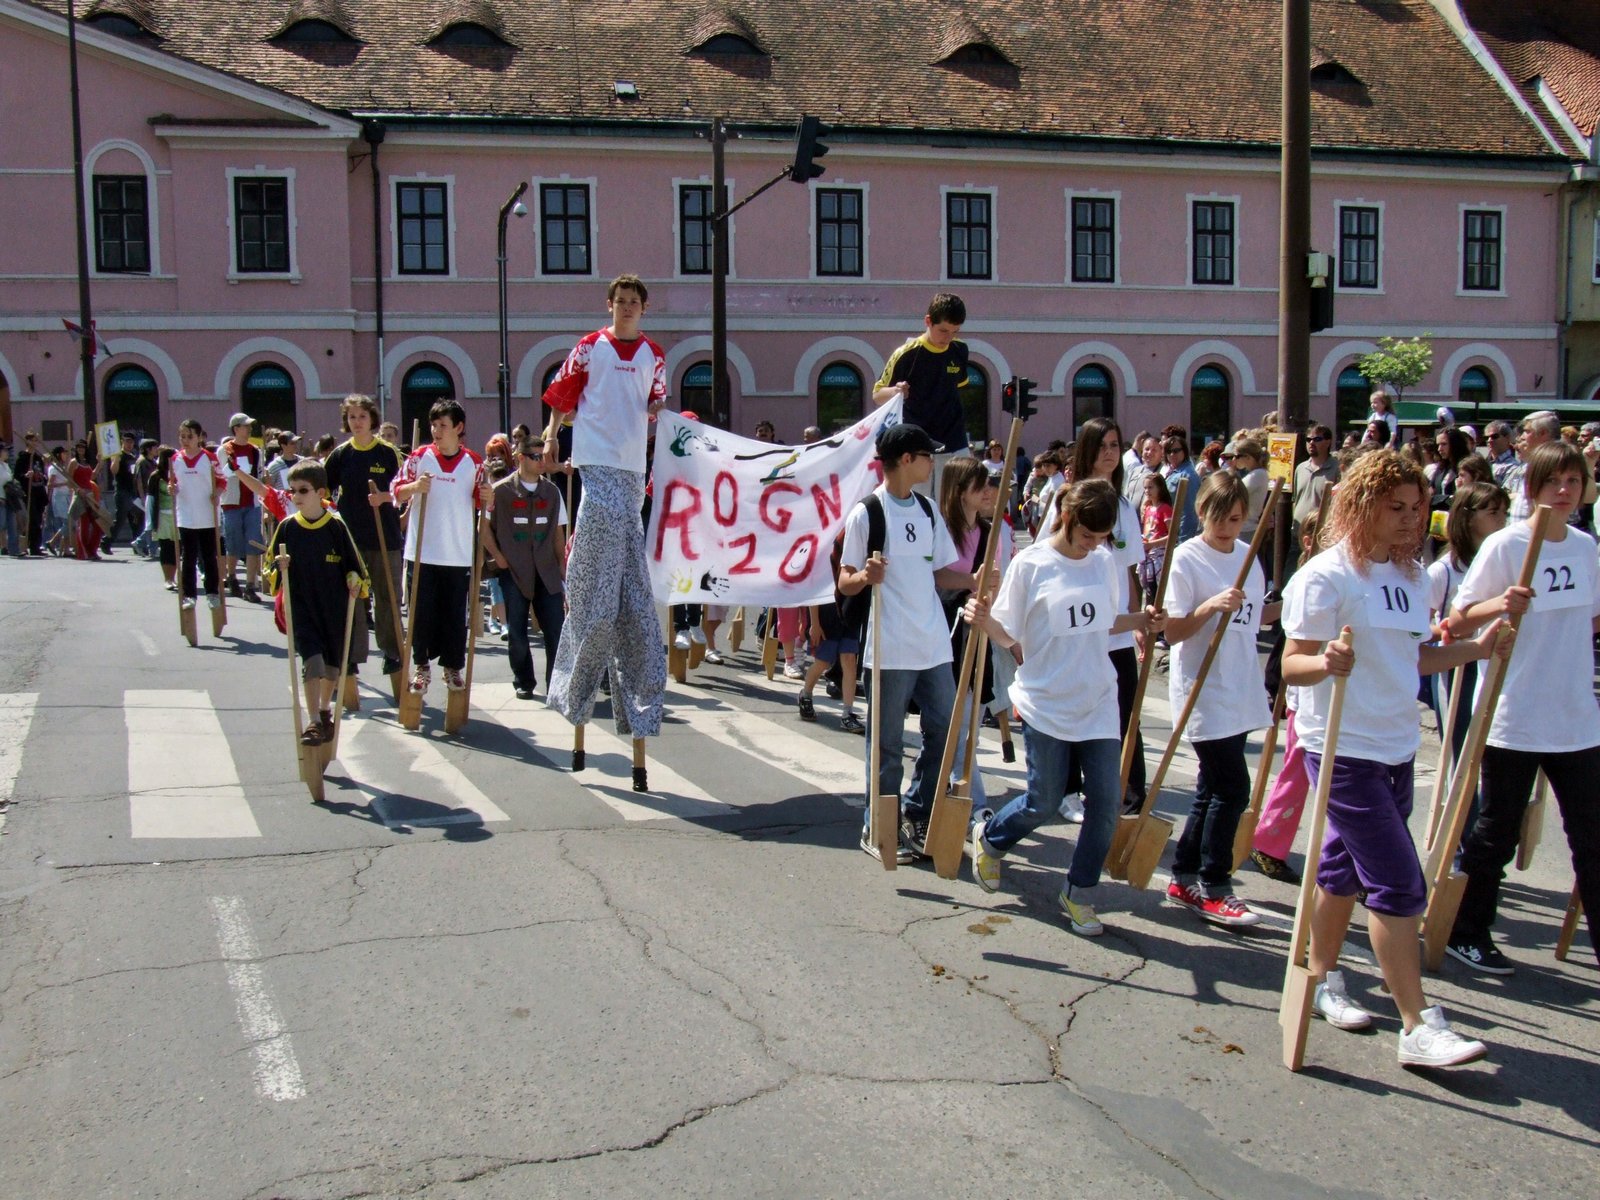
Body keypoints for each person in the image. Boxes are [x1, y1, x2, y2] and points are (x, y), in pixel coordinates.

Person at [1280, 449, 1508, 1068]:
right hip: (1341, 749)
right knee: (1400, 883)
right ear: (1362, 506)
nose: (1410, 519)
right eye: (1396, 507)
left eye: (1416, 507)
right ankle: (1418, 1024)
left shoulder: (1411, 578)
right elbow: (1292, 663)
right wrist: (1325, 661)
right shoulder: (1326, 576)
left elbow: (1414, 660)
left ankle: (1322, 977)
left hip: (1396, 746)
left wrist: (1477, 649)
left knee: (1343, 870)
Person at [965, 479, 1164, 935]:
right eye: (1087, 536)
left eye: (1101, 538)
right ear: (1067, 519)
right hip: (1046, 699)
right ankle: (991, 838)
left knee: (1106, 805)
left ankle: (1079, 891)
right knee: (1044, 800)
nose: (1093, 545)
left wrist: (1142, 620)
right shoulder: (1031, 565)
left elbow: (1103, 620)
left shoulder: (1103, 562)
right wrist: (985, 621)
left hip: (1097, 699)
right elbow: (1007, 631)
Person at [1443, 441, 1600, 974]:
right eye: (1553, 481)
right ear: (1532, 488)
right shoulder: (1505, 545)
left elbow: (1589, 617)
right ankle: (1467, 931)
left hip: (1575, 718)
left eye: (1573, 481)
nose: (1564, 491)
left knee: (1591, 836)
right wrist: (1500, 604)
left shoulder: (1584, 547)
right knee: (1496, 834)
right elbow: (1457, 620)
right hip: (1514, 714)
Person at [541, 273, 669, 740]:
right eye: (621, 301)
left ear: (644, 308)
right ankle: (580, 660)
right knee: (600, 568)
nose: (627, 307)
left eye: (634, 301)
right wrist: (552, 434)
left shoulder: (654, 354)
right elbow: (562, 394)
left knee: (627, 566)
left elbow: (657, 403)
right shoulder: (590, 347)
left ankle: (631, 668)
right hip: (595, 460)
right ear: (609, 304)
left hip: (631, 464)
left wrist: (667, 422)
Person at [839, 423, 974, 863]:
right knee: (888, 746)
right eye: (926, 455)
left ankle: (916, 810)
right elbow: (845, 579)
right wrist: (865, 576)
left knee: (946, 732)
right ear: (906, 460)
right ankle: (877, 824)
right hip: (889, 647)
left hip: (933, 645)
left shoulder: (929, 510)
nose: (933, 462)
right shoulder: (867, 513)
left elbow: (940, 573)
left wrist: (974, 579)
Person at [1162, 472, 1277, 925]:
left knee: (1210, 788)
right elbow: (1173, 631)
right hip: (1202, 688)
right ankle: (1215, 883)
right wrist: (1210, 606)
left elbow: (1255, 617)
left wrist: (1291, 604)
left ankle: (1183, 874)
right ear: (1201, 512)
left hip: (1239, 685)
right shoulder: (1187, 558)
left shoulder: (1248, 557)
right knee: (1233, 789)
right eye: (1219, 517)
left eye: (1235, 518)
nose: (1227, 527)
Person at [1247, 506, 1329, 882]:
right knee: (1297, 771)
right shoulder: (1305, 581)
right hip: (1306, 694)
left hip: (1337, 693)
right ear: (1309, 542)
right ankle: (1268, 842)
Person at [263, 460, 369, 747]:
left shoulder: (336, 527)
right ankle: (312, 721)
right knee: (312, 661)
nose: (296, 496)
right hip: (301, 607)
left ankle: (324, 711)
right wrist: (279, 568)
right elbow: (269, 568)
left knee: (332, 665)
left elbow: (357, 567)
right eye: (292, 491)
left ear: (320, 492)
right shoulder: (287, 528)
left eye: (303, 490)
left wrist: (354, 580)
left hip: (333, 607)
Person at [393, 400, 490, 695]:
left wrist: (488, 496)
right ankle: (421, 667)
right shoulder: (419, 457)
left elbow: (483, 502)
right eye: (433, 425)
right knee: (420, 614)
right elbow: (396, 490)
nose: (436, 431)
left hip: (457, 553)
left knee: (454, 616)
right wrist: (414, 488)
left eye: (443, 425)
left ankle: (452, 668)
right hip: (422, 551)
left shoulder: (475, 463)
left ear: (458, 428)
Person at [936, 456, 1014, 816]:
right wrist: (971, 580)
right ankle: (974, 805)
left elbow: (994, 586)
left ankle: (951, 793)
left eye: (989, 484)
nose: (987, 491)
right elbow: (933, 576)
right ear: (958, 490)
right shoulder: (940, 529)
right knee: (955, 725)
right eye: (979, 485)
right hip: (943, 632)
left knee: (970, 726)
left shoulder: (991, 532)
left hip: (977, 631)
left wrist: (989, 590)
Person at [323, 395, 407, 678]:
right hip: (351, 540)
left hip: (385, 537)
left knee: (388, 598)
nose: (357, 422)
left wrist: (385, 497)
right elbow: (323, 491)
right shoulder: (340, 455)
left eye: (362, 416)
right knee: (353, 599)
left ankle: (392, 652)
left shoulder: (388, 453)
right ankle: (352, 655)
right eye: (352, 417)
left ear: (372, 419)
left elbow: (404, 491)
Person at [482, 435, 567, 700]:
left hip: (546, 570)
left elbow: (558, 533)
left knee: (555, 629)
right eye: (536, 456)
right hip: (514, 569)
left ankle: (556, 684)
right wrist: (498, 557)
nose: (542, 461)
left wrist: (563, 567)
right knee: (517, 630)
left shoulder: (552, 492)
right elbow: (483, 528)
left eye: (544, 456)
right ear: (521, 458)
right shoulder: (499, 491)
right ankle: (524, 681)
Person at [872, 292, 970, 493]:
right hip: (918, 445)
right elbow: (877, 395)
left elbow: (957, 387)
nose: (948, 338)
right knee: (919, 502)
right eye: (943, 330)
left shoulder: (960, 350)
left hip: (954, 440)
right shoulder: (906, 354)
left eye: (955, 331)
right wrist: (896, 390)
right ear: (928, 321)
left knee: (957, 501)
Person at [799, 540, 862, 732]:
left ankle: (847, 713)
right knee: (823, 662)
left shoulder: (858, 549)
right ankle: (806, 694)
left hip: (850, 611)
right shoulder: (825, 552)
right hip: (828, 615)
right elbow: (814, 590)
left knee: (849, 661)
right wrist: (814, 623)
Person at [170, 420, 227, 616]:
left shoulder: (209, 458)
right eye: (182, 437)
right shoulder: (175, 459)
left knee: (209, 556)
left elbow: (222, 480)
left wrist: (217, 493)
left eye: (190, 436)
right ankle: (189, 595)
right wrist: (172, 489)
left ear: (199, 437)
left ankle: (212, 592)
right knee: (188, 557)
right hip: (186, 516)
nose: (185, 440)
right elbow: (174, 483)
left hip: (207, 515)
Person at [218, 414, 263, 602]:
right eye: (246, 426)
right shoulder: (225, 450)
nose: (249, 429)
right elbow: (223, 474)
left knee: (253, 542)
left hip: (252, 503)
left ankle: (250, 585)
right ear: (236, 429)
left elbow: (259, 474)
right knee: (233, 542)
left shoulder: (255, 450)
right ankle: (232, 576)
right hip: (231, 503)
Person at [1161, 432, 1202, 540]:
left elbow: (1189, 512)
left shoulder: (1188, 475)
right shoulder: (1173, 471)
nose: (1172, 455)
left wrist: (1183, 541)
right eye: (1168, 451)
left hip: (1180, 536)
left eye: (1176, 451)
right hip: (1167, 533)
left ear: (1184, 451)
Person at [105, 432, 141, 552]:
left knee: (136, 520)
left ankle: (137, 545)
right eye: (127, 441)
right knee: (120, 521)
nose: (129, 444)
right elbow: (114, 471)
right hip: (122, 492)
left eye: (131, 442)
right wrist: (116, 459)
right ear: (122, 442)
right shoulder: (118, 455)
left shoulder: (133, 456)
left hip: (132, 493)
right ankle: (106, 541)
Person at [149, 445, 179, 590]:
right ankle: (168, 579)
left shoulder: (179, 474)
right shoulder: (156, 476)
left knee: (177, 548)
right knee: (166, 547)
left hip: (178, 515)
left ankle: (174, 577)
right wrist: (151, 521)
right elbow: (151, 500)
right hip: (163, 516)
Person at [0, 443, 21, 557]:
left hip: (9, 498)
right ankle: (3, 546)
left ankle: (14, 549)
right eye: (5, 451)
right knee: (1, 524)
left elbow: (10, 479)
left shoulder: (6, 465)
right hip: (0, 498)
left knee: (12, 524)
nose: (7, 453)